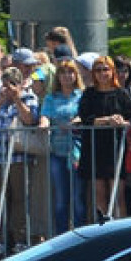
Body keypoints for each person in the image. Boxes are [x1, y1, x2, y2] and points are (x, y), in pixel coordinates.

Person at [0, 66, 41, 253]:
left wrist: (16, 98)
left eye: (13, 84)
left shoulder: (28, 97)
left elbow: (30, 119)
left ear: (21, 83)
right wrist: (0, 101)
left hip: (18, 156)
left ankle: (20, 239)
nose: (8, 88)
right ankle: (0, 239)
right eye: (6, 84)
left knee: (19, 198)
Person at [76, 55, 131, 220]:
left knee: (118, 193)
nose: (102, 73)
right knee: (100, 193)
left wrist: (122, 122)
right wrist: (106, 120)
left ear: (112, 72)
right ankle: (103, 230)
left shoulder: (122, 94)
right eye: (98, 70)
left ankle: (120, 230)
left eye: (106, 69)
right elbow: (85, 117)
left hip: (116, 147)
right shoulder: (89, 94)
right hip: (95, 148)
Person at [39, 53, 85, 233]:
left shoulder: (81, 95)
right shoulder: (51, 98)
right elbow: (45, 114)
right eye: (63, 72)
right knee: (60, 198)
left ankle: (82, 236)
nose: (67, 76)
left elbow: (86, 114)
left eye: (70, 72)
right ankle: (61, 237)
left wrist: (74, 123)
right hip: (57, 152)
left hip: (77, 152)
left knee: (78, 197)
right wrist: (44, 123)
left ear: (76, 75)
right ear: (58, 76)